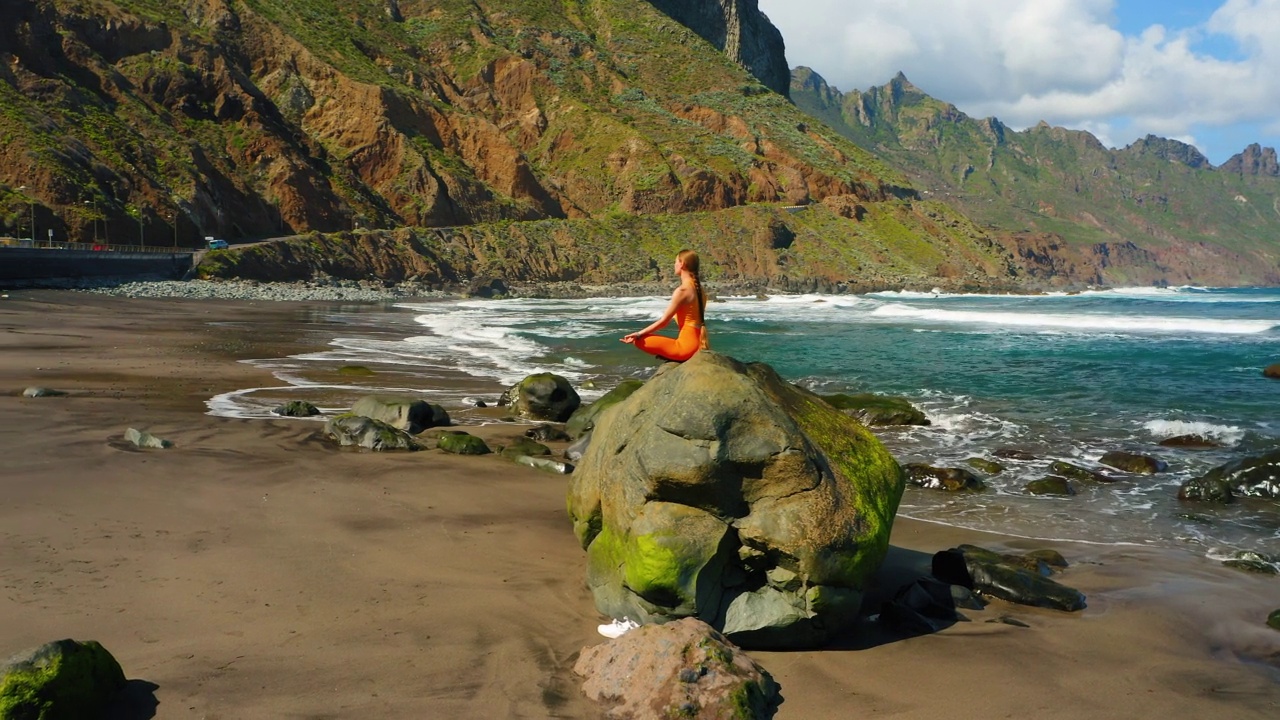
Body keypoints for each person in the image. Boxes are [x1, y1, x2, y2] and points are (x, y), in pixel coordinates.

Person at [621, 249, 709, 362]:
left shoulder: (683, 291)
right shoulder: (699, 289)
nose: (674, 265)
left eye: (675, 261)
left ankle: (674, 356)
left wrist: (638, 334)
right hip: (699, 343)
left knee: (640, 341)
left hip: (685, 349)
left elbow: (664, 322)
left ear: (682, 264)